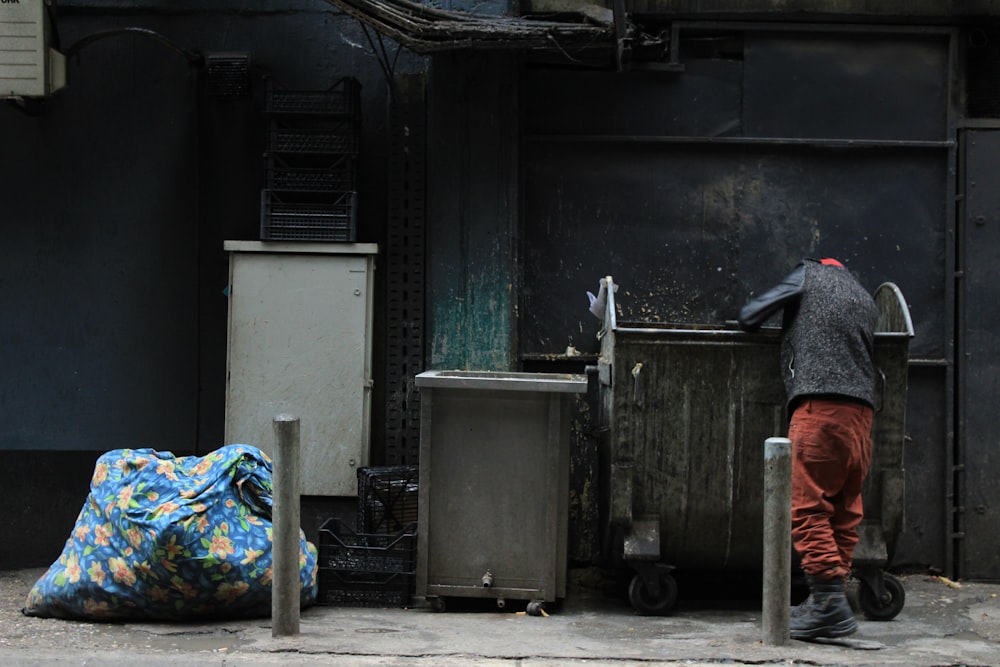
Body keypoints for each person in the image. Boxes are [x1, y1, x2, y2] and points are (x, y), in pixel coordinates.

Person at [737, 257, 877, 640]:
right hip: (862, 416)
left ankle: (828, 602)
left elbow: (750, 316)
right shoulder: (864, 295)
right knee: (844, 511)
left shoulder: (807, 274)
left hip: (820, 410)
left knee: (807, 506)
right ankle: (829, 603)